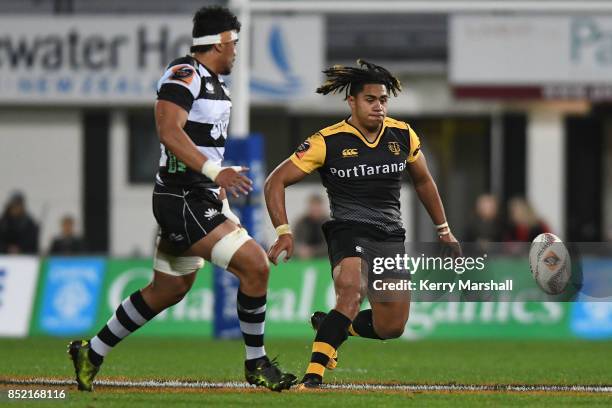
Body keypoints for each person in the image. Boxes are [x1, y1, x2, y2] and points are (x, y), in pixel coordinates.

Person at [68, 6, 295, 392]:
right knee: (256, 267)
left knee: (168, 289)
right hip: (183, 197)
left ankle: (93, 352)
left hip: (198, 195)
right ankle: (256, 364)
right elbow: (168, 132)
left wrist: (217, 176)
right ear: (221, 42)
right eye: (235, 43)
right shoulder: (184, 74)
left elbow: (197, 141)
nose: (237, 51)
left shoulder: (214, 82)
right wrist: (213, 172)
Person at [264, 60, 460, 389]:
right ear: (351, 101)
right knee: (351, 293)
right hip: (348, 230)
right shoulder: (327, 141)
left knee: (392, 326)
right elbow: (275, 181)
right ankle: (313, 377)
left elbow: (424, 181)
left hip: (390, 236)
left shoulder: (403, 135)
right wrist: (284, 231)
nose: (378, 106)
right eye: (370, 99)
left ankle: (335, 325)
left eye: (383, 100)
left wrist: (443, 229)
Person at [293, 194, 328, 259]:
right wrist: (300, 250)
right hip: (302, 259)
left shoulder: (328, 224)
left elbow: (330, 246)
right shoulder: (301, 223)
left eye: (317, 206)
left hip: (324, 260)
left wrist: (312, 251)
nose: (315, 209)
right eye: (313, 206)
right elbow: (294, 242)